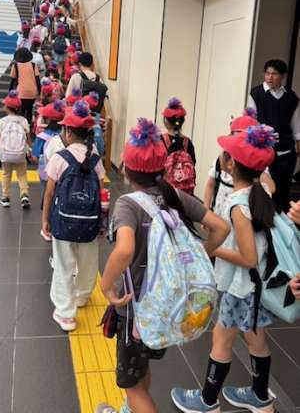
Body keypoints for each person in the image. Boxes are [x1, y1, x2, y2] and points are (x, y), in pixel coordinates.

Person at [97, 118, 229, 413]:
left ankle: (134, 405)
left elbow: (124, 250)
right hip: (167, 306)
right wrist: (201, 255)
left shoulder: (128, 204)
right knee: (141, 368)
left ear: (126, 168)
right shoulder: (174, 195)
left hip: (136, 309)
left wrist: (106, 286)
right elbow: (221, 227)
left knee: (131, 385)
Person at [171, 124, 278, 413]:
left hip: (241, 287)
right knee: (256, 338)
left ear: (231, 164)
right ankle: (260, 397)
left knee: (221, 337)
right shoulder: (260, 192)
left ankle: (207, 401)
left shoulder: (238, 204)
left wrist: (210, 249)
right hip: (255, 287)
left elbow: (248, 258)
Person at [42, 101, 105, 332]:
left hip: (63, 221)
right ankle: (82, 296)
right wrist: (101, 222)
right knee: (88, 261)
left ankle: (66, 314)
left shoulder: (60, 157)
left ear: (68, 131)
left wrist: (45, 220)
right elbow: (101, 192)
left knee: (63, 264)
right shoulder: (95, 158)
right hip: (89, 223)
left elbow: (49, 193)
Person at [248, 59, 300, 211]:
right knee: (263, 189)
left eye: (274, 74)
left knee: (283, 190)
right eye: (267, 73)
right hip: (263, 150)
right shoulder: (256, 94)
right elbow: (251, 121)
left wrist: (298, 143)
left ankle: (280, 218)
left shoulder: (291, 97)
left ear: (283, 76)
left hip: (285, 151)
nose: (269, 77)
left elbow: (296, 124)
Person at [204, 110, 275, 216]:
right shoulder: (221, 160)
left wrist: (256, 164)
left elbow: (271, 188)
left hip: (242, 215)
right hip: (219, 214)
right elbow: (210, 184)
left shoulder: (257, 165)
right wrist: (206, 210)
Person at [0, 91, 31, 209]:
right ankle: (24, 195)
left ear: (8, 107)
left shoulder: (2, 121)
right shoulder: (23, 120)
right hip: (20, 154)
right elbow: (28, 138)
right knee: (22, 174)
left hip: (6, 153)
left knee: (6, 174)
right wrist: (29, 149)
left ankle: (5, 197)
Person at [161, 98, 196, 194]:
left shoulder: (160, 140)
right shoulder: (188, 142)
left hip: (166, 192)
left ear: (166, 121)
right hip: (185, 193)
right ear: (182, 122)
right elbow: (193, 163)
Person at [13, 47, 41, 125]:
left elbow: (12, 81)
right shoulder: (33, 65)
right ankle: (28, 126)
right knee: (29, 110)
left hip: (20, 92)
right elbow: (37, 80)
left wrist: (10, 93)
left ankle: (21, 127)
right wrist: (39, 92)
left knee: (21, 111)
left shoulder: (16, 65)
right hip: (32, 92)